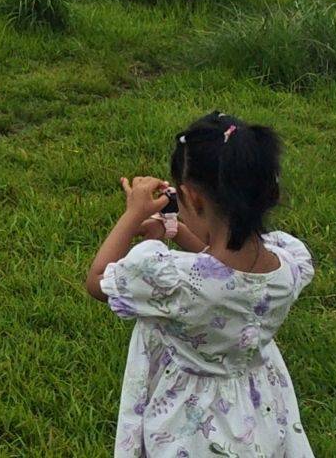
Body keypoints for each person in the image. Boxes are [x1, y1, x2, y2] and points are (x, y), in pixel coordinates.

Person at [85, 112, 314, 457]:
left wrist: (132, 215)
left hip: (188, 426)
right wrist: (176, 231)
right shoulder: (289, 266)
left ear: (192, 198)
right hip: (258, 408)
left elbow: (97, 281)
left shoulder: (173, 282)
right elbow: (222, 271)